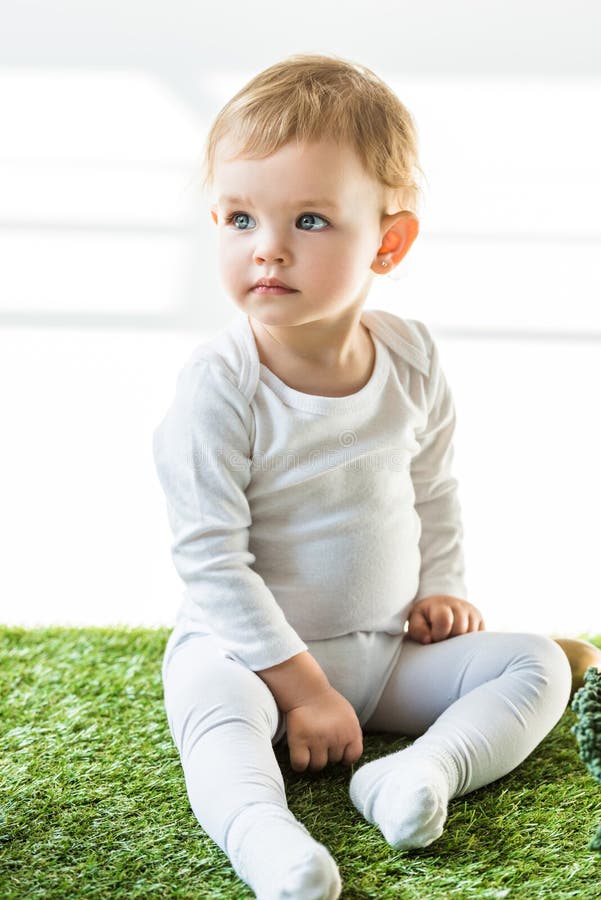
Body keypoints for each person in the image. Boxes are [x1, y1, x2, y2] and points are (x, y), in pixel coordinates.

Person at [152, 53, 573, 900]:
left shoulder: (410, 357)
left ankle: (420, 772)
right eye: (239, 218)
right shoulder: (221, 385)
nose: (266, 248)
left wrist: (443, 588)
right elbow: (209, 560)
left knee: (537, 663)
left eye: (308, 220)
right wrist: (300, 690)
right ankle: (267, 842)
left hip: (380, 654)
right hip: (246, 657)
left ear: (389, 240)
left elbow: (432, 487)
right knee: (216, 721)